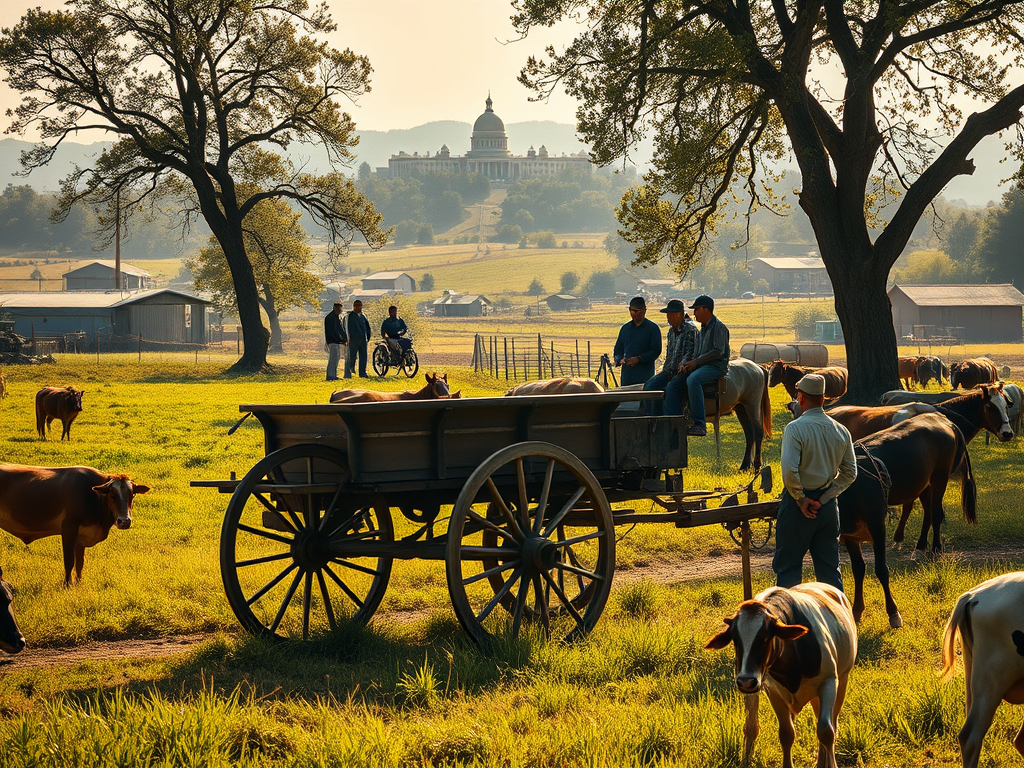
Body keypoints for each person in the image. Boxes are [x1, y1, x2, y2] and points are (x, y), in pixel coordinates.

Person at [774, 373, 857, 591]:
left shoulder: (795, 428)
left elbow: (790, 472)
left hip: (797, 509)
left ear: (801, 398)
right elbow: (850, 472)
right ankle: (836, 621)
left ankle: (790, 621)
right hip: (828, 509)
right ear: (823, 398)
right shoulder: (841, 430)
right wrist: (826, 497)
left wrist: (802, 499)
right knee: (830, 573)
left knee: (789, 571)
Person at [676, 294, 730, 436]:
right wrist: (686, 362)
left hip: (716, 367)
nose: (694, 313)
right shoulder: (703, 330)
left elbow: (718, 352)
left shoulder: (718, 327)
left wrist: (696, 362)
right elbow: (696, 352)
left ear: (706, 310)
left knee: (693, 380)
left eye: (697, 309)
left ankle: (699, 423)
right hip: (703, 365)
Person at [642, 299, 698, 415]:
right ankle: (653, 418)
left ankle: (673, 422)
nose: (668, 317)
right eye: (668, 314)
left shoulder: (690, 331)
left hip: (684, 372)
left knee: (671, 388)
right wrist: (665, 370)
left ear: (680, 315)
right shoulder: (671, 332)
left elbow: (691, 353)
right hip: (669, 370)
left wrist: (683, 364)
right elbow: (669, 355)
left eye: (671, 314)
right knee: (649, 386)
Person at [613, 296, 661, 386]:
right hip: (627, 375)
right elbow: (618, 349)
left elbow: (655, 351)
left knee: (644, 398)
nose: (633, 314)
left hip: (645, 375)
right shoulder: (625, 329)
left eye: (637, 311)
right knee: (627, 399)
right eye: (631, 310)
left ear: (644, 311)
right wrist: (619, 360)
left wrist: (639, 359)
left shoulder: (652, 329)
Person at [344, 299, 371, 378]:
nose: (358, 307)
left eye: (359, 306)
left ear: (362, 306)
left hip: (363, 339)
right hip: (353, 340)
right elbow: (347, 328)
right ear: (353, 306)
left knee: (363, 357)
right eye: (356, 306)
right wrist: (347, 339)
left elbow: (367, 327)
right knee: (352, 356)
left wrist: (367, 337)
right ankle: (349, 371)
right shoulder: (350, 316)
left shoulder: (363, 316)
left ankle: (362, 373)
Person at [324, 302, 347, 381]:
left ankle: (333, 374)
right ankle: (331, 375)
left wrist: (343, 339)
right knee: (333, 358)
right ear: (335, 308)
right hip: (333, 341)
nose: (340, 310)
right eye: (339, 309)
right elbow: (336, 330)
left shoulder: (334, 317)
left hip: (334, 341)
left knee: (336, 358)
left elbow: (339, 329)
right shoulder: (332, 317)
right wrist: (342, 339)